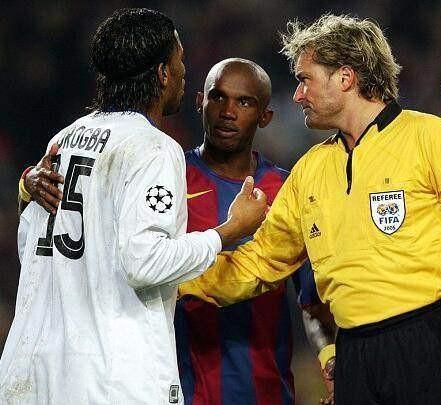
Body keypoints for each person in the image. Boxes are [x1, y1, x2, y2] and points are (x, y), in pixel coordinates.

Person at [179, 15, 441, 404]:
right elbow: (258, 263)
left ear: (345, 78)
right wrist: (173, 277)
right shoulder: (310, 170)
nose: (297, 95)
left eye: (305, 80)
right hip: (355, 356)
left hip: (433, 341)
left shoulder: (429, 137)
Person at [20, 58, 337, 404]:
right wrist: (27, 184)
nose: (228, 112)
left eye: (244, 102)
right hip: (169, 388)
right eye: (218, 97)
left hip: (263, 391)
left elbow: (313, 300)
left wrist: (330, 359)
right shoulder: (162, 174)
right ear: (200, 101)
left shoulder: (286, 189)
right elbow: (84, 227)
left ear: (265, 116)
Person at [1, 8, 266, 404]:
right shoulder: (152, 147)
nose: (184, 72)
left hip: (33, 373)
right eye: (179, 61)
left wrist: (25, 188)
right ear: (162, 73)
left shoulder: (64, 139)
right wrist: (228, 231)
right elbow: (145, 262)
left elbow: (31, 249)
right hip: (112, 379)